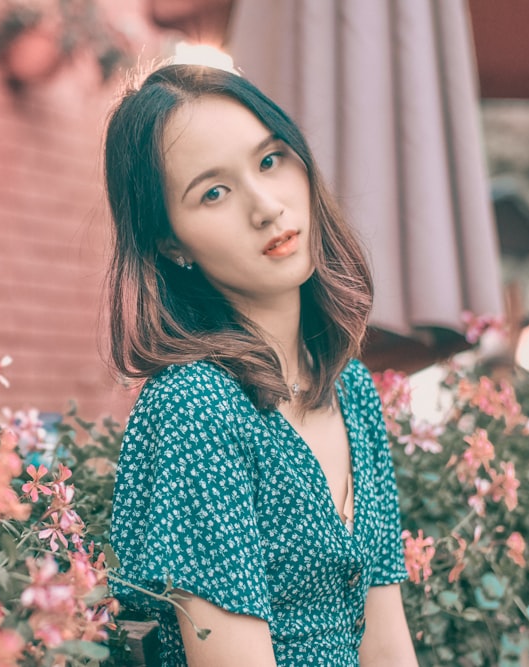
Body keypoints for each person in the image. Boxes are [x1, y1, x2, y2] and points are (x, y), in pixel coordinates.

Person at [103, 63, 418, 666]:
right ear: (171, 243)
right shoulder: (196, 409)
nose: (267, 207)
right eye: (213, 192)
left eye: (270, 160)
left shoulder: (348, 387)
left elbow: (386, 643)